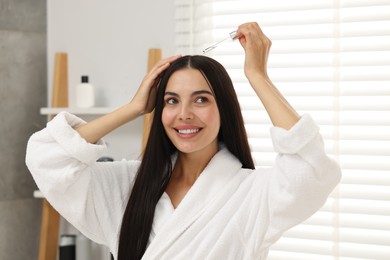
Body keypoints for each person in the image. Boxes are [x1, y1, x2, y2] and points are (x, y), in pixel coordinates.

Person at [26, 22, 341, 260]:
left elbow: (310, 171)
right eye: (172, 101)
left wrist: (257, 75)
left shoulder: (253, 193)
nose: (184, 114)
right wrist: (133, 108)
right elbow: (47, 157)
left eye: (201, 100)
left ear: (224, 109)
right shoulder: (127, 184)